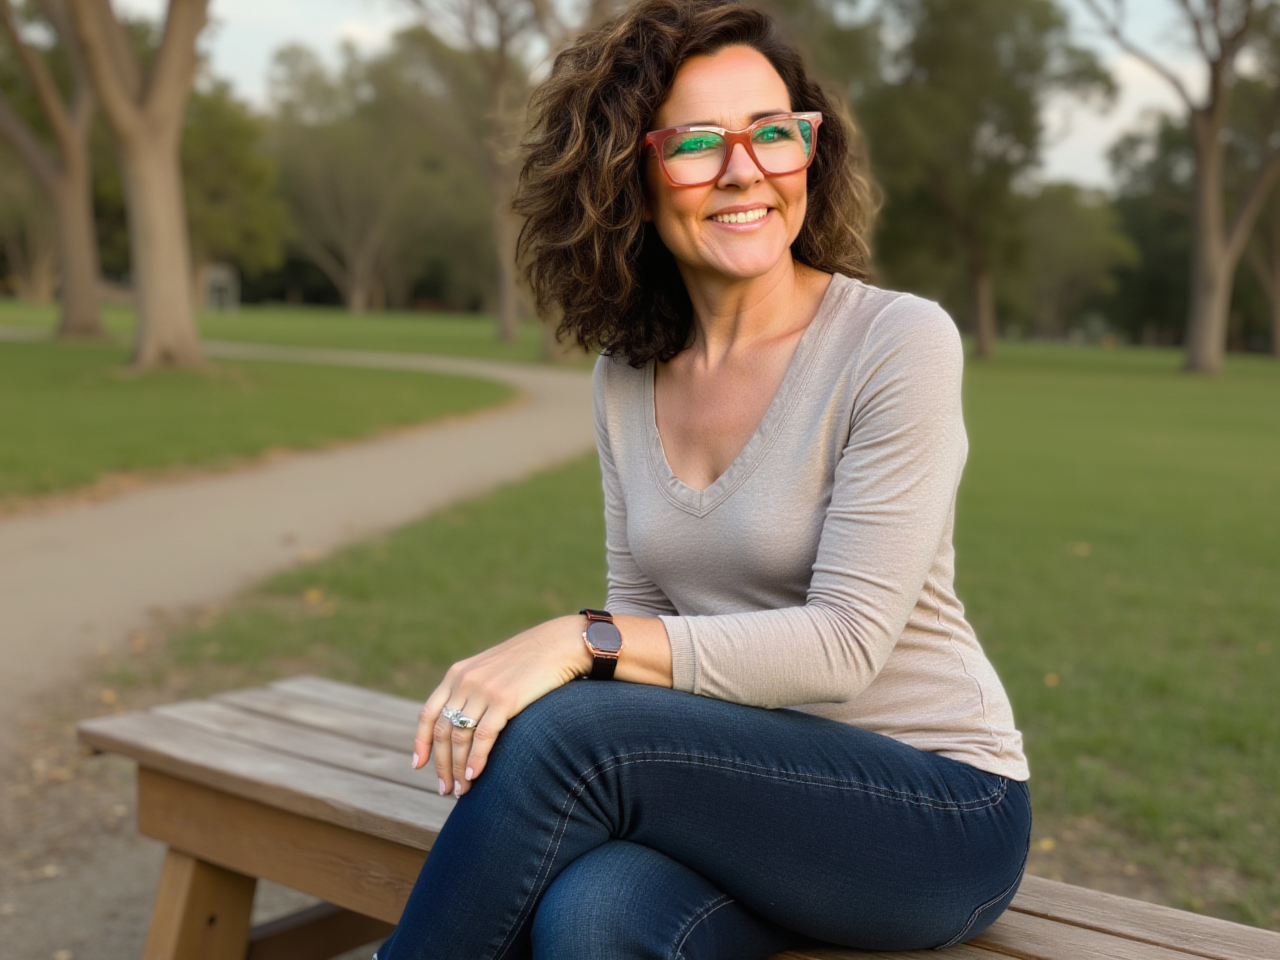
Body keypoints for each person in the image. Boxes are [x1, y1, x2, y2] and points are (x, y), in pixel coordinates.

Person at [376, 1, 1030, 957]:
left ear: (811, 150)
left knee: (571, 733)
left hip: (932, 813)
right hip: (748, 815)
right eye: (696, 143)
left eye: (774, 132)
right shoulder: (626, 374)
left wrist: (578, 639)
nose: (746, 170)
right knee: (589, 918)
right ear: (626, 175)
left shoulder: (896, 341)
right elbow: (648, 625)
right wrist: (600, 649)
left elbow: (845, 648)